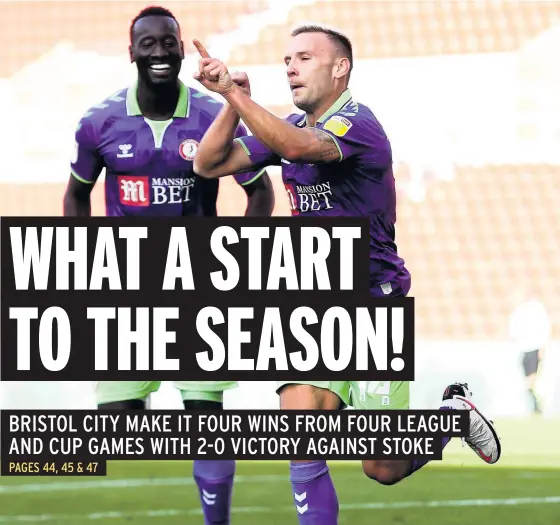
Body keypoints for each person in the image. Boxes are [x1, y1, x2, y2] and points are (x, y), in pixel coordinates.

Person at [191, 25, 502, 525]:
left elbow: (297, 148)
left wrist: (230, 90)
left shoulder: (357, 124)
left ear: (340, 68)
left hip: (373, 303)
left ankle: (451, 418)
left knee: (382, 465)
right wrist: (235, 100)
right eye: (287, 58)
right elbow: (208, 164)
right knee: (303, 437)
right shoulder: (287, 124)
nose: (291, 66)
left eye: (305, 57)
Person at [63, 7, 274, 525]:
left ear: (182, 49)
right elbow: (76, 197)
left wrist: (234, 261)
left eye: (169, 43)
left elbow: (260, 194)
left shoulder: (210, 115)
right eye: (148, 44)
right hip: (126, 292)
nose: (160, 52)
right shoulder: (99, 121)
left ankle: (216, 521)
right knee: (118, 432)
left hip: (200, 292)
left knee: (207, 420)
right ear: (131, 51)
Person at [509, 289, 551, 414]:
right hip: (524, 349)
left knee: (532, 379)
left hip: (533, 348)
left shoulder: (537, 310)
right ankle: (535, 404)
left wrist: (542, 348)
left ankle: (537, 404)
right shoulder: (520, 312)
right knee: (528, 379)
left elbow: (544, 330)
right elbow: (514, 331)